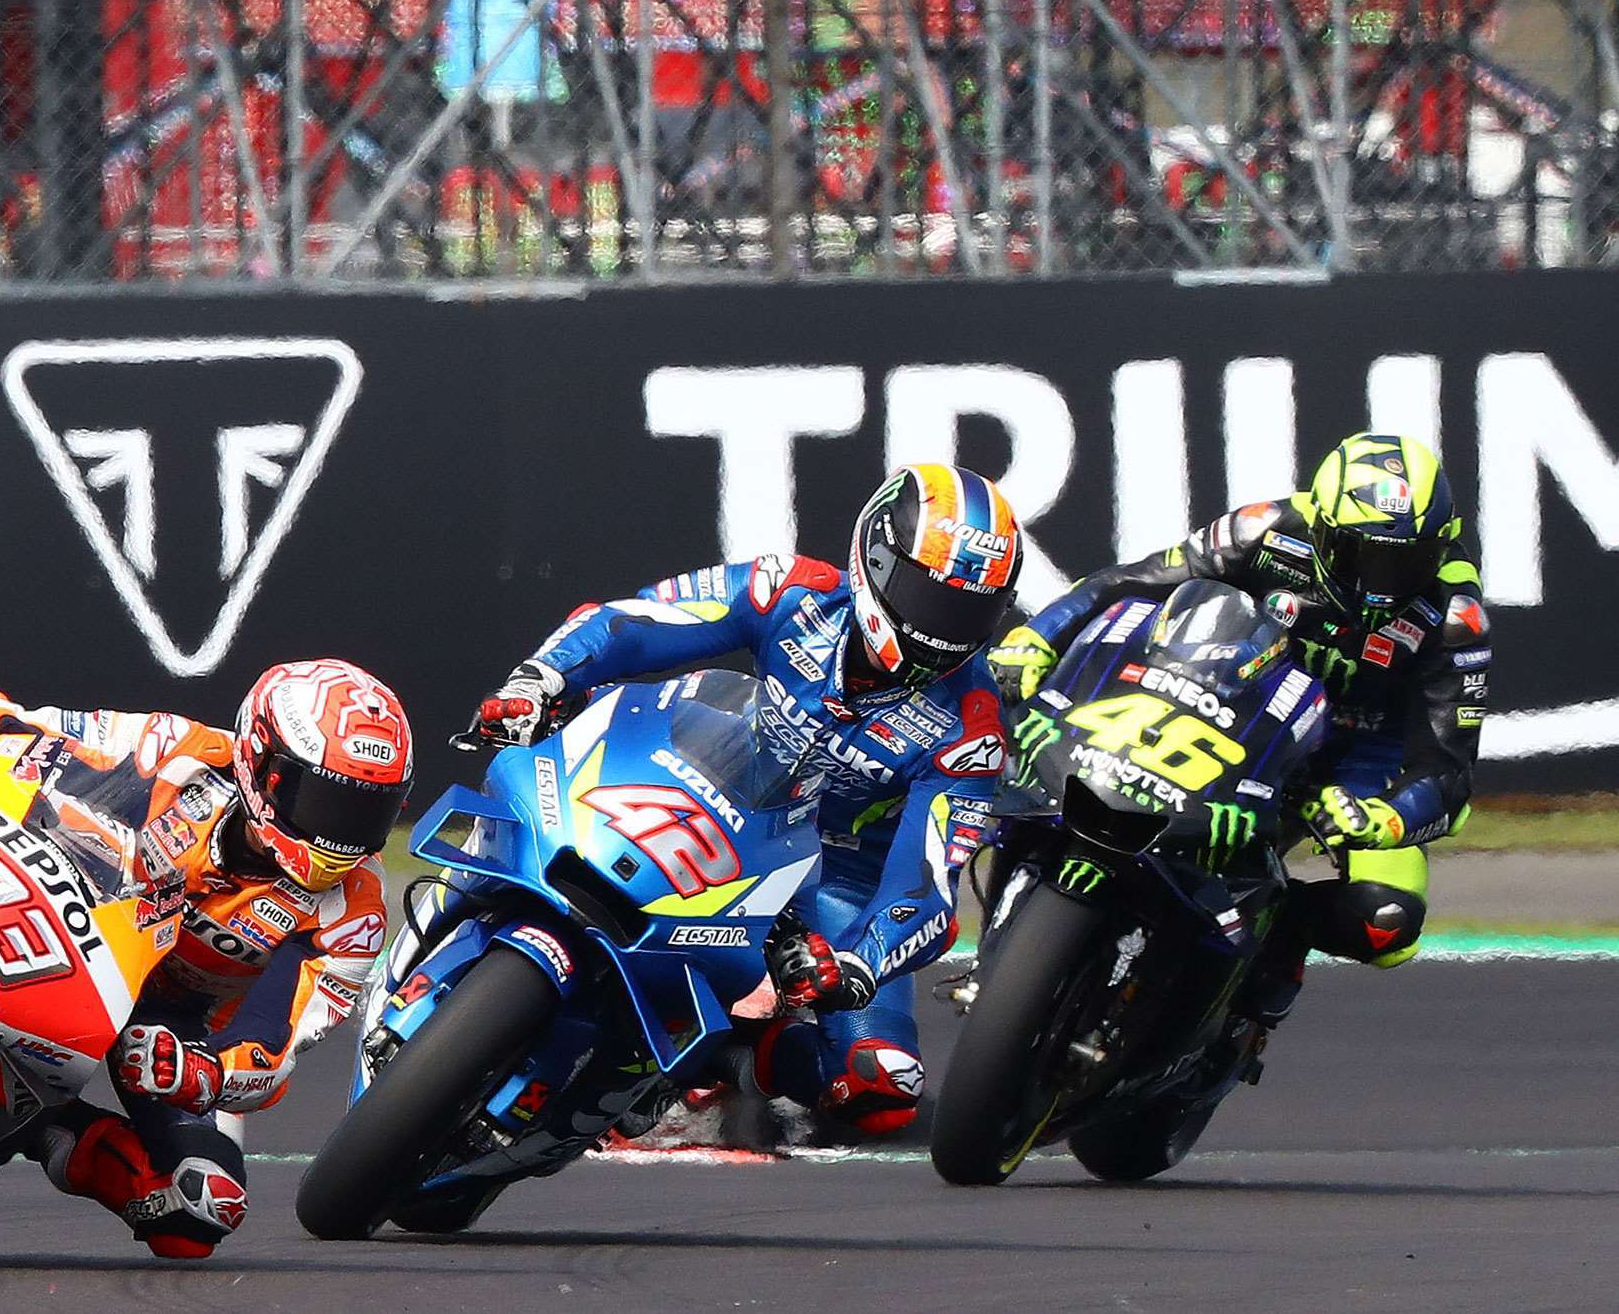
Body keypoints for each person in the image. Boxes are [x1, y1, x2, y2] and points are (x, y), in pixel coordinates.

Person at [470, 464, 1024, 1137]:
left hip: (835, 884)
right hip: (718, 804)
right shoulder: (787, 589)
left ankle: (729, 1062)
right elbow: (634, 622)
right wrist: (540, 678)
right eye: (931, 598)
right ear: (875, 558)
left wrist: (859, 961)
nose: (944, 629)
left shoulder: (972, 728)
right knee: (541, 797)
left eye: (969, 611)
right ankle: (467, 920)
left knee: (883, 1087)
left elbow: (931, 888)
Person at [0, 658, 412, 1258]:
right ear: (262, 763)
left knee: (201, 1208)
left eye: (368, 811)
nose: (341, 831)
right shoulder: (177, 750)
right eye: (325, 799)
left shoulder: (357, 912)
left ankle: (33, 1128)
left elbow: (278, 1042)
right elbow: (25, 726)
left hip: (167, 1028)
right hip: (63, 923)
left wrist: (204, 1072)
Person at [990, 431, 1488, 1009]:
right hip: (1230, 711)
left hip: (1353, 757)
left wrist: (1388, 818)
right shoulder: (1264, 530)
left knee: (1387, 922)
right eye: (1364, 557)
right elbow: (1127, 582)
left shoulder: (1455, 615)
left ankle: (1271, 945)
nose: (1381, 587)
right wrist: (1036, 637)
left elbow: (1448, 773)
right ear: (1323, 528)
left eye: (1407, 563)